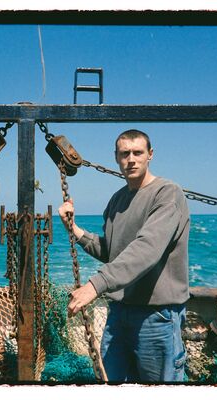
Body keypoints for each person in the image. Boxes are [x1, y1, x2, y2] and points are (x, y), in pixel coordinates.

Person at [58, 129, 190, 382]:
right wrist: (74, 230)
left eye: (138, 152)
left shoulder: (167, 194)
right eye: (124, 153)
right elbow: (113, 253)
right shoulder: (116, 201)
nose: (131, 159)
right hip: (119, 313)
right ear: (116, 157)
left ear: (150, 155)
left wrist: (95, 285)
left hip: (156, 316)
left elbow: (147, 248)